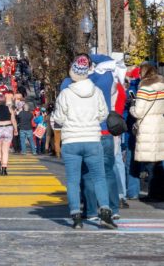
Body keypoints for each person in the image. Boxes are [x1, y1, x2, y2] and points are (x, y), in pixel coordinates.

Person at [51, 55, 116, 229]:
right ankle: (105, 211)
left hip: (72, 140)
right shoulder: (96, 92)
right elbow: (104, 113)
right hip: (92, 139)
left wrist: (69, 122)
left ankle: (76, 216)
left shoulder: (66, 93)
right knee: (99, 177)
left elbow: (58, 117)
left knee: (72, 180)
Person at [129, 62, 164, 200]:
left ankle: (154, 193)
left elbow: (138, 112)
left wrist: (132, 106)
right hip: (159, 123)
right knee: (158, 161)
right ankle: (160, 192)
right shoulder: (162, 86)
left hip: (148, 125)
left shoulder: (144, 87)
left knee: (150, 162)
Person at [0, 93, 17, 175]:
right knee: (5, 150)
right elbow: (13, 120)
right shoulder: (9, 108)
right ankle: (4, 169)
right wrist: (16, 130)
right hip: (8, 127)